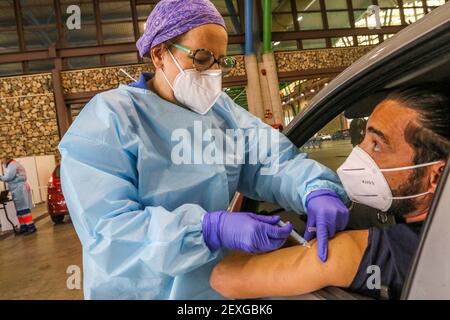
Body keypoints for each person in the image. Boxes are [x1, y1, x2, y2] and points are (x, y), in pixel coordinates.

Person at [58, 0, 349, 300]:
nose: (213, 72)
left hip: (215, 286)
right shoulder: (110, 120)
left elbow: (268, 159)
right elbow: (110, 231)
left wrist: (314, 189)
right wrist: (208, 229)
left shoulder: (220, 113)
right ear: (159, 54)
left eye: (221, 61)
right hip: (141, 291)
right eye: (201, 58)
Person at [210, 83, 450, 300]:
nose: (358, 153)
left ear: (436, 176)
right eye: (362, 138)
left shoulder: (392, 252)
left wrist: (225, 232)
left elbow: (224, 278)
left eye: (377, 145)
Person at [0, 158, 36, 235]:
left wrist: (1, 177)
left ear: (5, 159)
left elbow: (8, 177)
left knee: (23, 209)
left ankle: (31, 227)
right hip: (18, 188)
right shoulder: (14, 164)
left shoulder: (12, 165)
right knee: (19, 210)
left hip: (19, 189)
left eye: (2, 161)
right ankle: (24, 227)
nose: (2, 163)